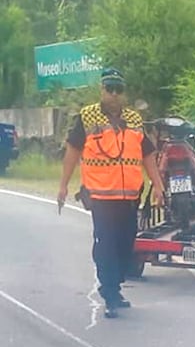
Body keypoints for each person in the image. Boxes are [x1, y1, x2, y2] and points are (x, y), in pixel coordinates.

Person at [57, 68, 164, 318]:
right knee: (106, 245)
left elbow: (147, 154)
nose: (114, 94)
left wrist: (157, 185)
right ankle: (110, 294)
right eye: (109, 89)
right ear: (102, 90)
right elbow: (72, 151)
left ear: (123, 93)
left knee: (125, 245)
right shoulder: (87, 117)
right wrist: (63, 185)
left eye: (119, 90)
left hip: (129, 198)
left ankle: (114, 288)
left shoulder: (134, 120)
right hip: (101, 197)